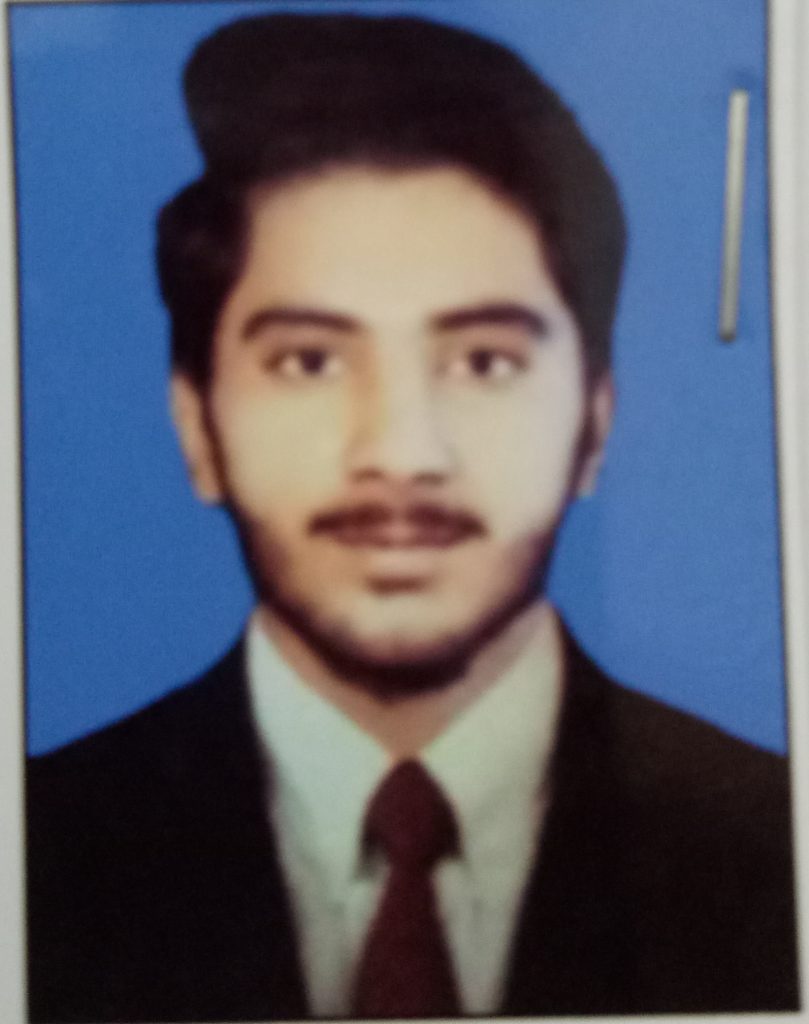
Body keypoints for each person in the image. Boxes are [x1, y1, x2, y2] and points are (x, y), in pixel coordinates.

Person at [26, 11, 798, 1022]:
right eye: (310, 360)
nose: (400, 451)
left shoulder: (774, 846)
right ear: (197, 427)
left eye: (483, 362)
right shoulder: (35, 852)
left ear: (594, 424)